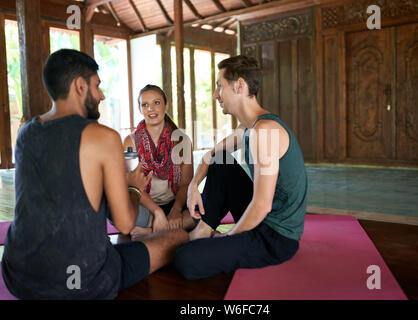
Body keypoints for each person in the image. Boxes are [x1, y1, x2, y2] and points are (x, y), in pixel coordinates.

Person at [1, 49, 189, 299]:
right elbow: (124, 223)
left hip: (18, 275)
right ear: (80, 86)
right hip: (85, 282)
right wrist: (132, 186)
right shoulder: (104, 137)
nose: (101, 95)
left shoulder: (26, 133)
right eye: (97, 86)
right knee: (178, 236)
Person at [173, 55, 308, 280]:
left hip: (276, 237)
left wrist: (229, 239)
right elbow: (211, 155)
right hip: (262, 218)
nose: (215, 94)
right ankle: (204, 230)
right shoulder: (250, 127)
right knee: (221, 161)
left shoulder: (265, 131)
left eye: (219, 86)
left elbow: (262, 205)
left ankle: (210, 237)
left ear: (239, 85)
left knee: (184, 259)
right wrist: (193, 186)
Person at [123, 85, 195, 241]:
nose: (151, 108)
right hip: (145, 208)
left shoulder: (182, 140)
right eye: (145, 104)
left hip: (175, 203)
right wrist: (157, 212)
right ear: (140, 109)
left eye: (156, 102)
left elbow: (186, 184)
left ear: (166, 105)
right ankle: (165, 225)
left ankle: (151, 231)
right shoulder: (130, 142)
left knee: (205, 208)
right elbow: (132, 185)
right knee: (118, 210)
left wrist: (175, 211)